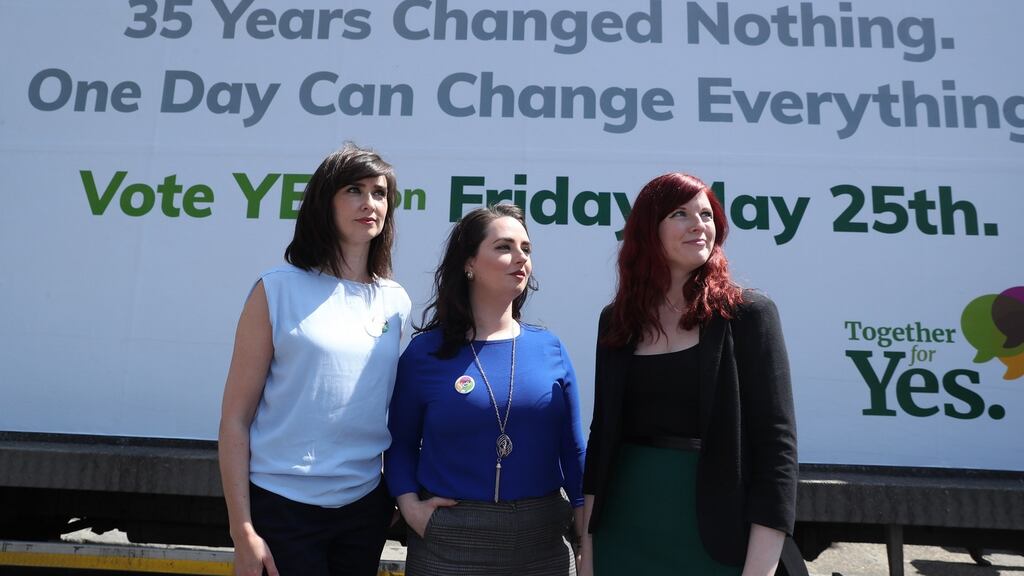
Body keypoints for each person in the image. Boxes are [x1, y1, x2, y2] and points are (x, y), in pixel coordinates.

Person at [579, 173, 799, 576]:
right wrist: (589, 551)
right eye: (680, 213)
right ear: (649, 230)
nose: (699, 224)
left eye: (706, 214)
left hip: (716, 537)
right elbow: (601, 437)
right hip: (623, 531)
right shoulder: (616, 321)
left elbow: (777, 449)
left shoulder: (748, 315)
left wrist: (761, 567)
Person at [218, 143, 411, 576]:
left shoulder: (395, 301)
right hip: (282, 508)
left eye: (379, 193)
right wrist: (241, 529)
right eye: (354, 190)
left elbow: (387, 410)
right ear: (325, 202)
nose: (370, 203)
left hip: (362, 509)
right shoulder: (276, 289)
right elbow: (235, 418)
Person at [385, 203, 587, 576]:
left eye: (526, 248)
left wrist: (586, 539)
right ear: (469, 263)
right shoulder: (425, 354)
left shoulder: (549, 348)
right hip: (449, 541)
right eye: (504, 247)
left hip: (542, 543)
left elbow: (574, 451)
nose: (520, 258)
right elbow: (399, 444)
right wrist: (411, 509)